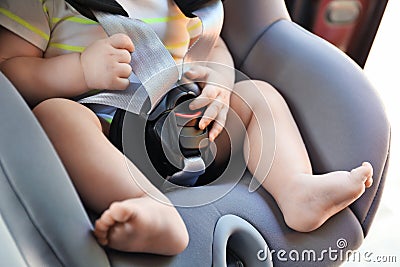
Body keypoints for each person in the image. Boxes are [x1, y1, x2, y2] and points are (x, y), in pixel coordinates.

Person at [0, 0, 373, 255]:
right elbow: (12, 70)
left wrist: (220, 84)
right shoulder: (41, 5)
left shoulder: (190, 6)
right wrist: (78, 71)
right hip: (108, 133)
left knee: (259, 95)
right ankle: (147, 206)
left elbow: (213, 50)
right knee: (54, 116)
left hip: (194, 127)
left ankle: (295, 189)